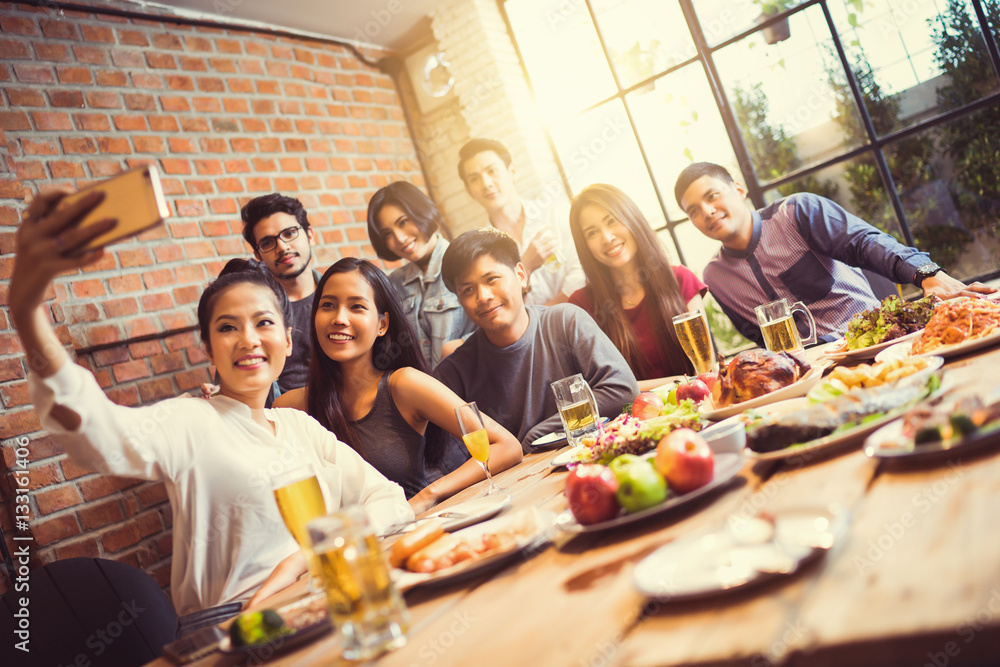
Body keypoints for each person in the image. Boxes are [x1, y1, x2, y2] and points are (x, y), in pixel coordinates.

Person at [10, 190, 412, 635]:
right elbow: (93, 431)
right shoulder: (192, 421)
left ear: (288, 340)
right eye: (227, 328)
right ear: (208, 348)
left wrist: (306, 558)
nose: (248, 340)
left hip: (322, 601)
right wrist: (27, 313)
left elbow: (390, 500)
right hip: (239, 628)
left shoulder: (299, 425)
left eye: (263, 323)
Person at [274, 257, 522, 514]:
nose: (339, 318)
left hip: (416, 533)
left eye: (357, 306)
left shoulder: (404, 385)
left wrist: (429, 495)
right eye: (328, 305)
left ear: (382, 324)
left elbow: (506, 446)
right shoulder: (290, 409)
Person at [674, 162, 996, 345]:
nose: (707, 212)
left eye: (712, 195)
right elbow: (757, 337)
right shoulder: (715, 277)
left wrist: (928, 275)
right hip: (814, 379)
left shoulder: (795, 213)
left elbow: (866, 243)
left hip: (881, 344)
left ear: (739, 189)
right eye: (693, 211)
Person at [434, 228, 639, 452]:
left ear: (521, 275)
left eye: (491, 279)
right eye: (468, 290)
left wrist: (537, 436)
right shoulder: (453, 373)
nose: (483, 296)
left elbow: (622, 390)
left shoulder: (565, 321)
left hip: (593, 458)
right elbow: (445, 457)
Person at [568, 184, 708, 390]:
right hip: (630, 420)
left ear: (631, 219)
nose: (607, 238)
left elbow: (705, 368)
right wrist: (682, 382)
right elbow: (600, 387)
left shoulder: (681, 280)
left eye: (612, 221)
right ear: (584, 246)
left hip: (698, 408)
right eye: (592, 233)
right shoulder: (581, 306)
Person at [457, 138, 586, 306]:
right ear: (469, 191)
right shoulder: (478, 252)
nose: (486, 183)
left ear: (512, 171)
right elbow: (501, 306)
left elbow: (583, 273)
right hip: (534, 333)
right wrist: (526, 266)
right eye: (474, 179)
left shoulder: (554, 214)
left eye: (492, 171)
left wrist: (543, 317)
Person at [366, 181, 477, 368]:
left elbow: (498, 329)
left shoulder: (469, 262)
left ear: (422, 212)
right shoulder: (393, 284)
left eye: (403, 222)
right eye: (387, 234)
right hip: (424, 393)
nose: (399, 238)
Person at [239, 193, 322, 396]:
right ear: (258, 255)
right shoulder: (252, 314)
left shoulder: (345, 297)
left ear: (310, 235)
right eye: (267, 242)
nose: (282, 247)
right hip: (283, 421)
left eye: (290, 233)